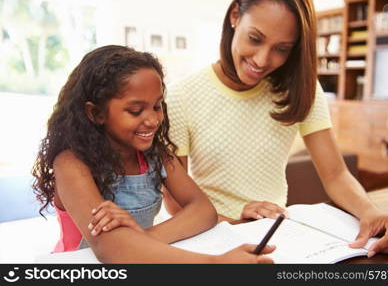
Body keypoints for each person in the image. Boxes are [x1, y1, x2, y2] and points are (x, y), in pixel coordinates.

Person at [163, 0, 388, 258]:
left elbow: (335, 174)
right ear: (235, 15)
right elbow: (175, 200)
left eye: (282, 49)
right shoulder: (182, 95)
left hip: (275, 236)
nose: (262, 60)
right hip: (209, 236)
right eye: (255, 38)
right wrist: (234, 221)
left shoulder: (302, 90)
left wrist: (371, 213)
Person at [31, 45, 274, 263]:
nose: (153, 120)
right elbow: (110, 249)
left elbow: (203, 210)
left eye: (157, 106)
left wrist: (140, 239)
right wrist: (215, 264)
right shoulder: (72, 165)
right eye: (136, 111)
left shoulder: (157, 155)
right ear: (96, 114)